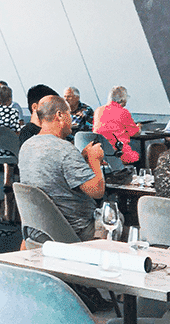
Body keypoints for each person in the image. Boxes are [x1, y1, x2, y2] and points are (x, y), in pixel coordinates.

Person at [19, 95, 106, 242]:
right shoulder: (65, 149)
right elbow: (97, 191)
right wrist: (94, 160)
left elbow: (56, 172)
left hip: (39, 230)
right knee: (115, 219)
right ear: (60, 115)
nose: (71, 120)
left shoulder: (27, 146)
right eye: (69, 115)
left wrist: (81, 157)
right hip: (75, 230)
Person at [93, 86, 141, 164]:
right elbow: (135, 133)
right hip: (118, 153)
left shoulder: (98, 111)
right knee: (137, 155)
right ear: (122, 99)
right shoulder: (123, 112)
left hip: (100, 154)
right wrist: (138, 127)